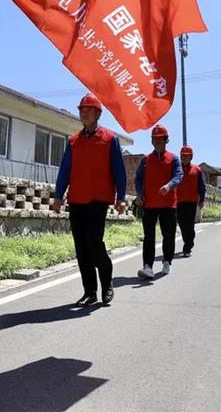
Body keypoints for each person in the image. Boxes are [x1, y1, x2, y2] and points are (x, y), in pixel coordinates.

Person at [53, 93, 127, 307]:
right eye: (81, 110)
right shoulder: (73, 141)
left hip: (98, 199)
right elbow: (65, 170)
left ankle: (107, 283)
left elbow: (119, 171)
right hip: (77, 199)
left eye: (88, 110)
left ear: (98, 114)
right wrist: (58, 195)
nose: (84, 114)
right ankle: (90, 292)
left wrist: (121, 198)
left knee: (94, 243)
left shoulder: (110, 139)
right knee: (81, 248)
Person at [134, 125, 183, 279]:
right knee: (149, 237)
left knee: (168, 235)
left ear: (166, 140)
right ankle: (147, 267)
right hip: (149, 204)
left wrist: (169, 186)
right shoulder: (146, 160)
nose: (157, 142)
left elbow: (179, 176)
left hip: (168, 204)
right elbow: (138, 179)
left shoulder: (174, 159)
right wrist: (139, 194)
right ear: (152, 141)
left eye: (160, 139)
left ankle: (167, 262)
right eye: (155, 139)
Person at [175, 146, 206, 257]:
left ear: (191, 157)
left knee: (189, 225)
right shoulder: (176, 169)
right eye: (183, 156)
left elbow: (201, 186)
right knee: (182, 224)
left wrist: (202, 199)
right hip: (178, 202)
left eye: (187, 156)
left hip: (192, 202)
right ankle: (188, 242)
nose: (184, 158)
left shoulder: (197, 169)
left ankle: (187, 247)